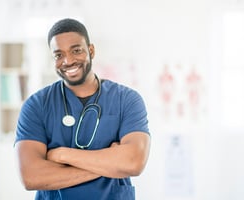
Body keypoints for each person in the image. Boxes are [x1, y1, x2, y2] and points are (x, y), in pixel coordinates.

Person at [14, 18, 151, 200]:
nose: (68, 61)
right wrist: (110, 164)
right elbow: (30, 176)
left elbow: (134, 162)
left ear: (91, 50)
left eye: (76, 50)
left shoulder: (126, 100)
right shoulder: (36, 105)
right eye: (58, 55)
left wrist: (62, 155)